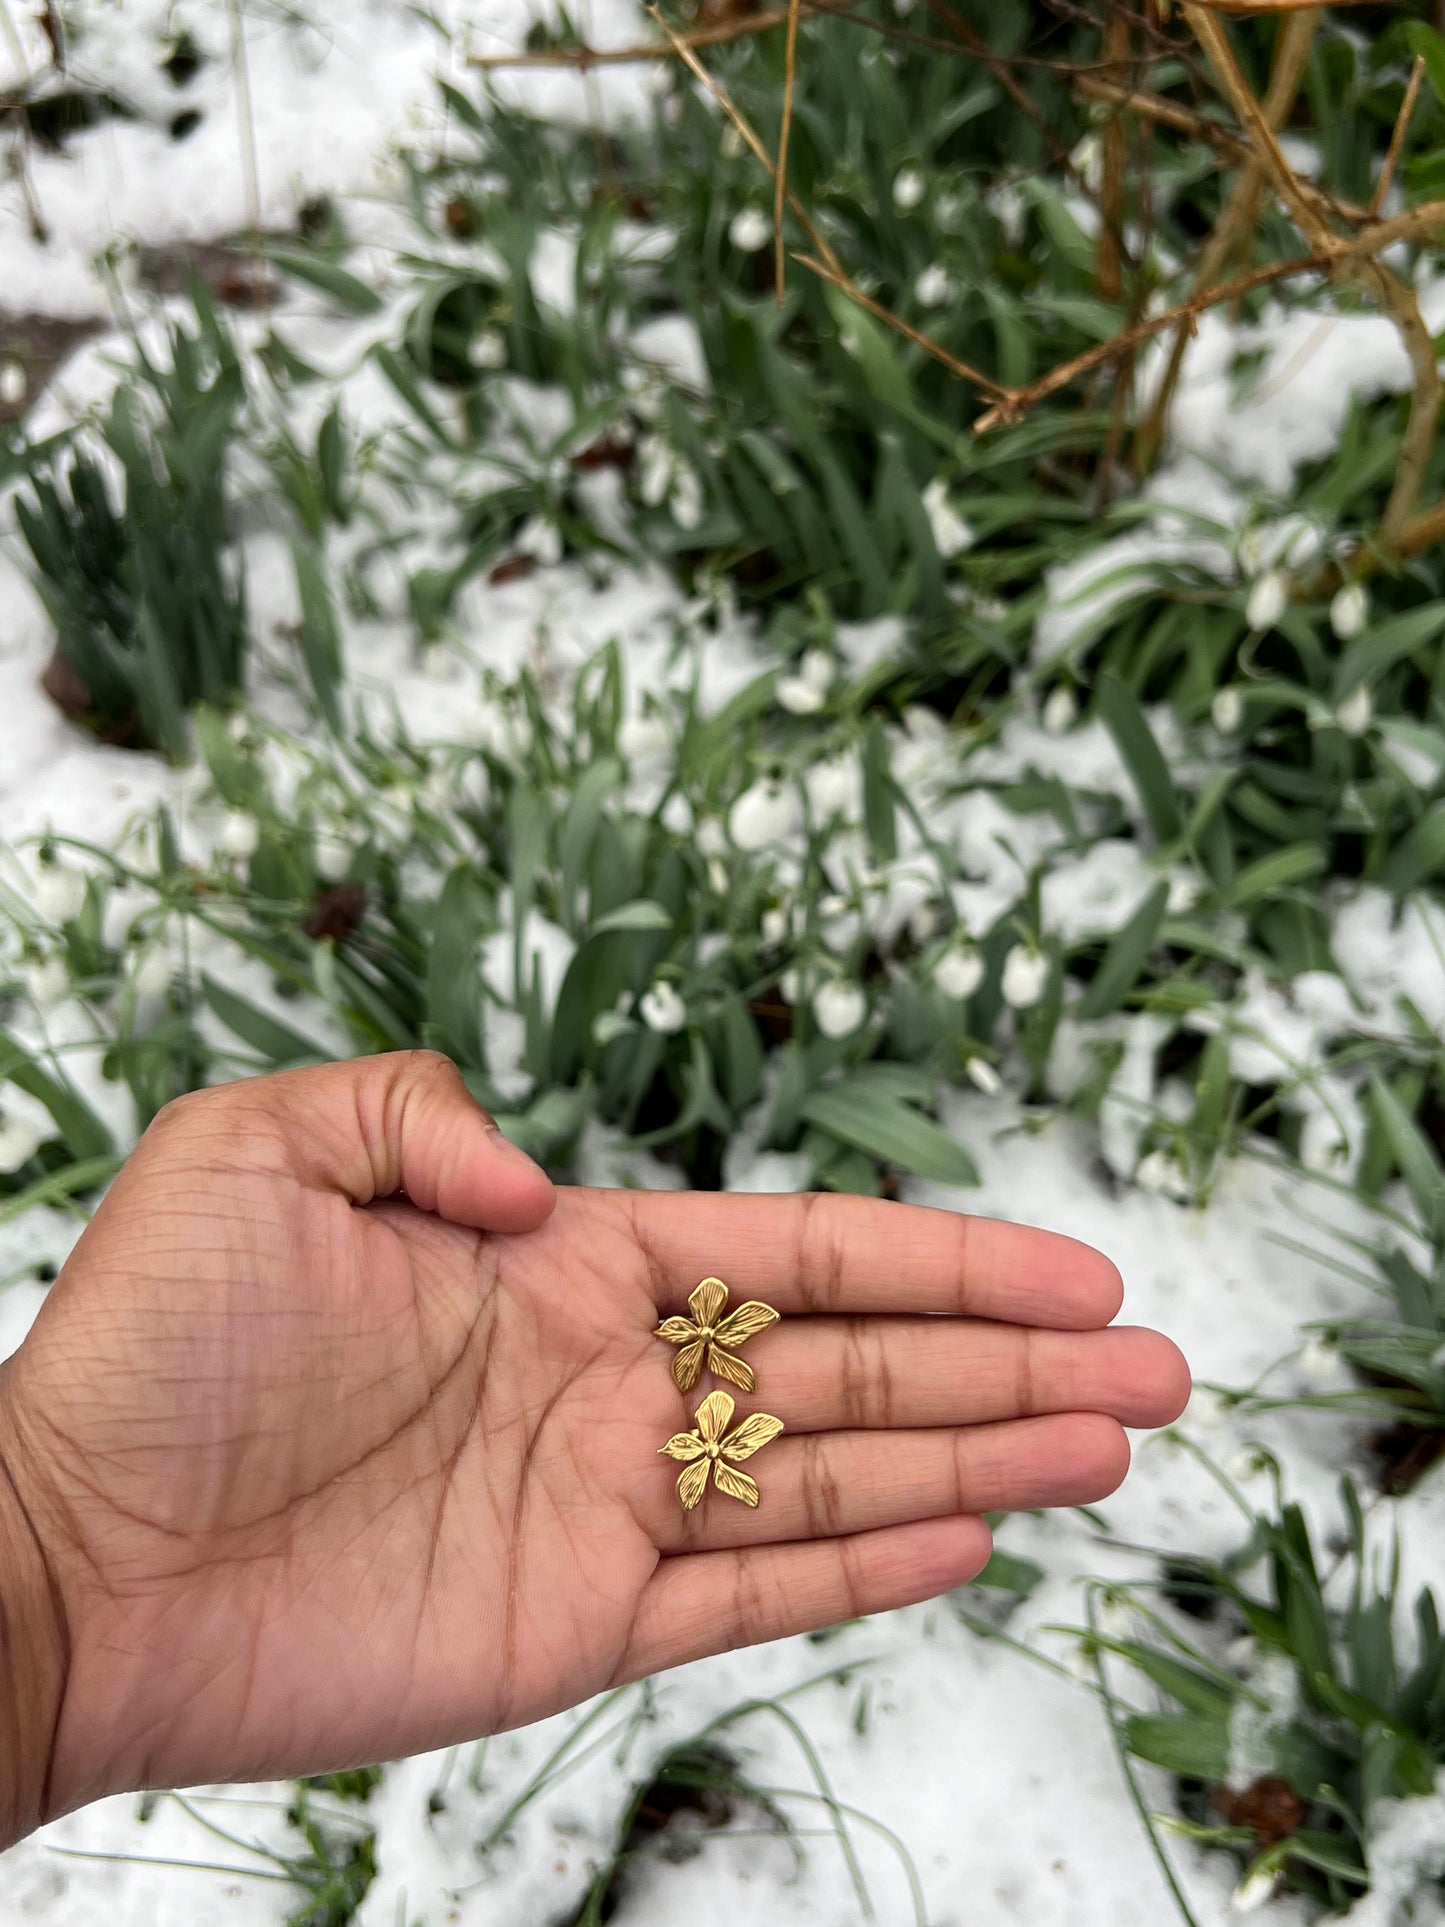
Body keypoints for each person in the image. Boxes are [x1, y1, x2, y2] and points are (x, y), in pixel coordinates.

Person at [0, 1051, 1190, 1851]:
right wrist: (54, 1533)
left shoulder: (703, 1379)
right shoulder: (696, 1382)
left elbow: (707, 1375)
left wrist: (61, 1549)